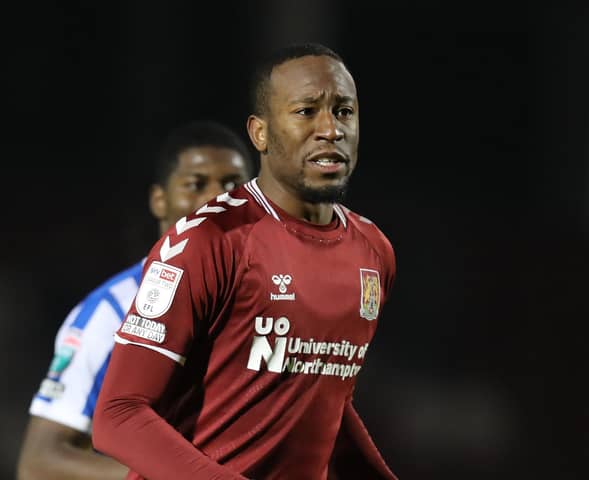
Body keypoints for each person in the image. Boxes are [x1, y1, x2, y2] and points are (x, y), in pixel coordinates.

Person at [93, 42, 398, 480]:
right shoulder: (208, 241)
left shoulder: (372, 252)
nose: (330, 128)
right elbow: (117, 417)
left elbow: (325, 402)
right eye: (306, 111)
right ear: (261, 133)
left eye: (344, 111)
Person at [16, 120, 254, 480]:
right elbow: (40, 462)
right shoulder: (111, 312)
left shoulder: (274, 302)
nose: (216, 199)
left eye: (232, 185)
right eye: (196, 184)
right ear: (160, 200)